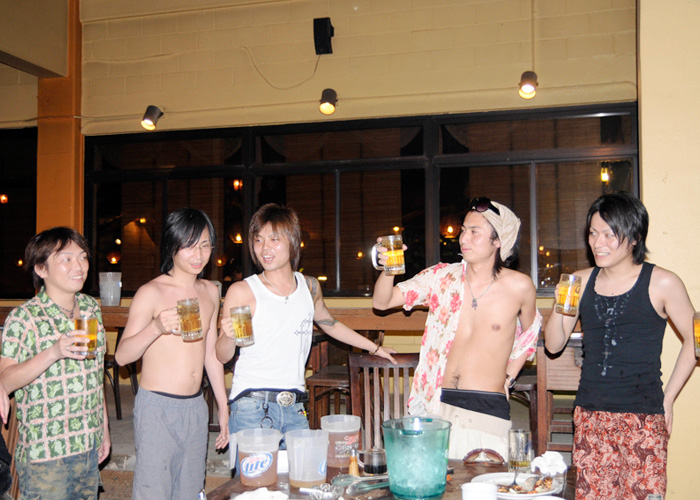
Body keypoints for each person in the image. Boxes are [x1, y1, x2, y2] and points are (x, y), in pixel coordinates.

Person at [544, 192, 696, 500]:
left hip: (643, 418)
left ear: (635, 237)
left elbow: (695, 339)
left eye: (609, 235)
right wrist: (562, 301)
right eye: (593, 233)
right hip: (590, 415)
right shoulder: (579, 281)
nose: (597, 243)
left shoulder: (662, 282)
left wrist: (668, 399)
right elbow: (554, 345)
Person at [216, 203, 396, 457]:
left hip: (295, 406)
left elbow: (330, 324)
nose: (265, 248)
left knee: (300, 477)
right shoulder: (242, 290)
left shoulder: (309, 286)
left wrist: (374, 348)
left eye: (274, 239)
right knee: (256, 480)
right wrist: (228, 336)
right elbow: (223, 355)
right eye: (258, 240)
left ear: (292, 241)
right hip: (252, 405)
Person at [372, 197, 541, 460]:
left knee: (484, 480)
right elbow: (382, 302)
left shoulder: (519, 286)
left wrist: (509, 377)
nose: (464, 238)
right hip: (437, 401)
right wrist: (388, 269)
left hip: (486, 404)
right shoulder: (442, 277)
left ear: (498, 241)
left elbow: (531, 334)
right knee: (433, 479)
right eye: (463, 230)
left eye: (475, 232)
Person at [115, 208, 229, 500]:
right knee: (154, 491)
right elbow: (122, 357)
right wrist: (155, 327)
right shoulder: (150, 292)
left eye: (205, 245)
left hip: (195, 407)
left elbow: (211, 354)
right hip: (157, 408)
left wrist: (223, 406)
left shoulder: (211, 292)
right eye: (189, 245)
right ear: (172, 246)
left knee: (190, 491)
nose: (198, 254)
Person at [0, 227, 110, 500]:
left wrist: (104, 431)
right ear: (41, 269)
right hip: (46, 453)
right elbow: (5, 380)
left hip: (87, 444)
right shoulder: (24, 318)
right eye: (66, 259)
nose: (79, 266)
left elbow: (95, 377)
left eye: (82, 257)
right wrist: (54, 352)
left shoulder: (91, 308)